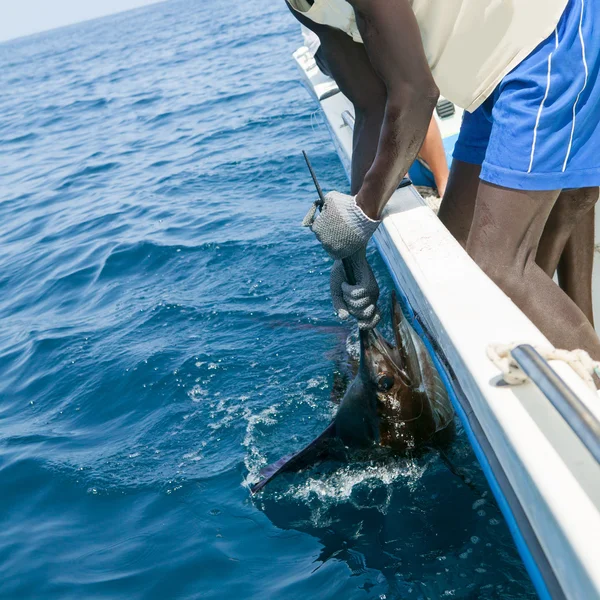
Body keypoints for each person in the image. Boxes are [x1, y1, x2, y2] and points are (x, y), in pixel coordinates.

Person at [289, 0, 600, 358]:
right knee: (452, 253)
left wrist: (364, 212)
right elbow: (372, 104)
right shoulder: (300, 5)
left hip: (548, 41)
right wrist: (353, 250)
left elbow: (416, 94)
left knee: (496, 268)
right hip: (490, 77)